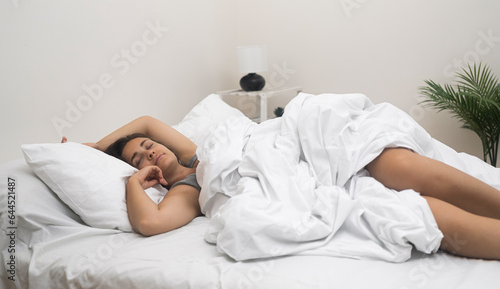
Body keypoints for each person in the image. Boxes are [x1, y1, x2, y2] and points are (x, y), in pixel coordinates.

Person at [74, 115, 500, 261]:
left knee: (394, 162)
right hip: (289, 182)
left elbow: (147, 121)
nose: (149, 152)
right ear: (148, 176)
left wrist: (97, 145)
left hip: (292, 146)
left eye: (149, 147)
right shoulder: (188, 189)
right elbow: (148, 222)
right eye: (139, 159)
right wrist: (132, 181)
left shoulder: (195, 151)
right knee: (408, 211)